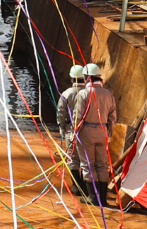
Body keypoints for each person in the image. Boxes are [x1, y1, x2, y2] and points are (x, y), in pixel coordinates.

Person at [74, 63, 117, 207]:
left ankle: (92, 197)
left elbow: (77, 116)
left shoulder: (83, 94)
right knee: (102, 165)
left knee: (88, 165)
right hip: (103, 131)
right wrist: (108, 133)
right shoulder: (108, 94)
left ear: (86, 78)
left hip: (86, 131)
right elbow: (113, 117)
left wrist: (75, 133)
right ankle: (102, 199)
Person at [56, 64, 86, 198]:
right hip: (88, 129)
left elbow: (61, 113)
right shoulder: (89, 92)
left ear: (72, 78)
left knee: (73, 158)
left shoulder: (67, 93)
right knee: (86, 159)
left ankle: (76, 186)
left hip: (71, 130)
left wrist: (62, 128)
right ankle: (86, 187)